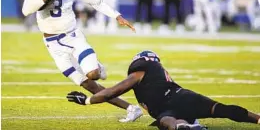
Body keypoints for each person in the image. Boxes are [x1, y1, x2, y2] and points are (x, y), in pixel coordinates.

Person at [22, 0, 142, 122]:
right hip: (52, 45)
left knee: (92, 74)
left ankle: (98, 68)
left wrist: (116, 15)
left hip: (73, 36)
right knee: (88, 84)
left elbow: (94, 0)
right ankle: (132, 109)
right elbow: (26, 10)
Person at [67, 50, 260, 130]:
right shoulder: (158, 71)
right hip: (184, 97)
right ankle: (257, 118)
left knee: (165, 120)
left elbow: (112, 92)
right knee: (223, 109)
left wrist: (87, 101)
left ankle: (181, 126)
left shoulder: (140, 72)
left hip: (167, 106)